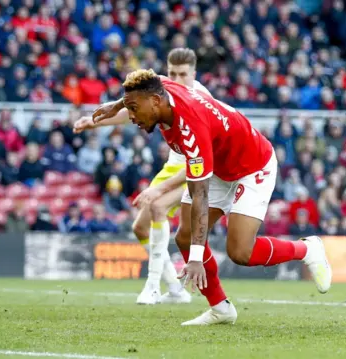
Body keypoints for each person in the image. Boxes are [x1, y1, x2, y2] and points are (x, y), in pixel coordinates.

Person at [90, 67, 332, 325]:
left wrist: (195, 260)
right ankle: (221, 309)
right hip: (218, 164)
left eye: (134, 109)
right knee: (184, 237)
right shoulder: (159, 89)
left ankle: (307, 248)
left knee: (241, 252)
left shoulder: (190, 129)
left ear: (156, 101)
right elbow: (153, 80)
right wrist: (116, 107)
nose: (133, 117)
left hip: (252, 166)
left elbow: (199, 197)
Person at [74, 48, 204, 305]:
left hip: (197, 167)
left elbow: (199, 159)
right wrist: (94, 121)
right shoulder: (162, 90)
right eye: (172, 73)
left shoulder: (200, 98)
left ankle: (153, 285)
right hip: (174, 165)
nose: (177, 79)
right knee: (139, 227)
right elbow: (132, 109)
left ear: (194, 74)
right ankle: (176, 290)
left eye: (183, 74)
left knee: (158, 206)